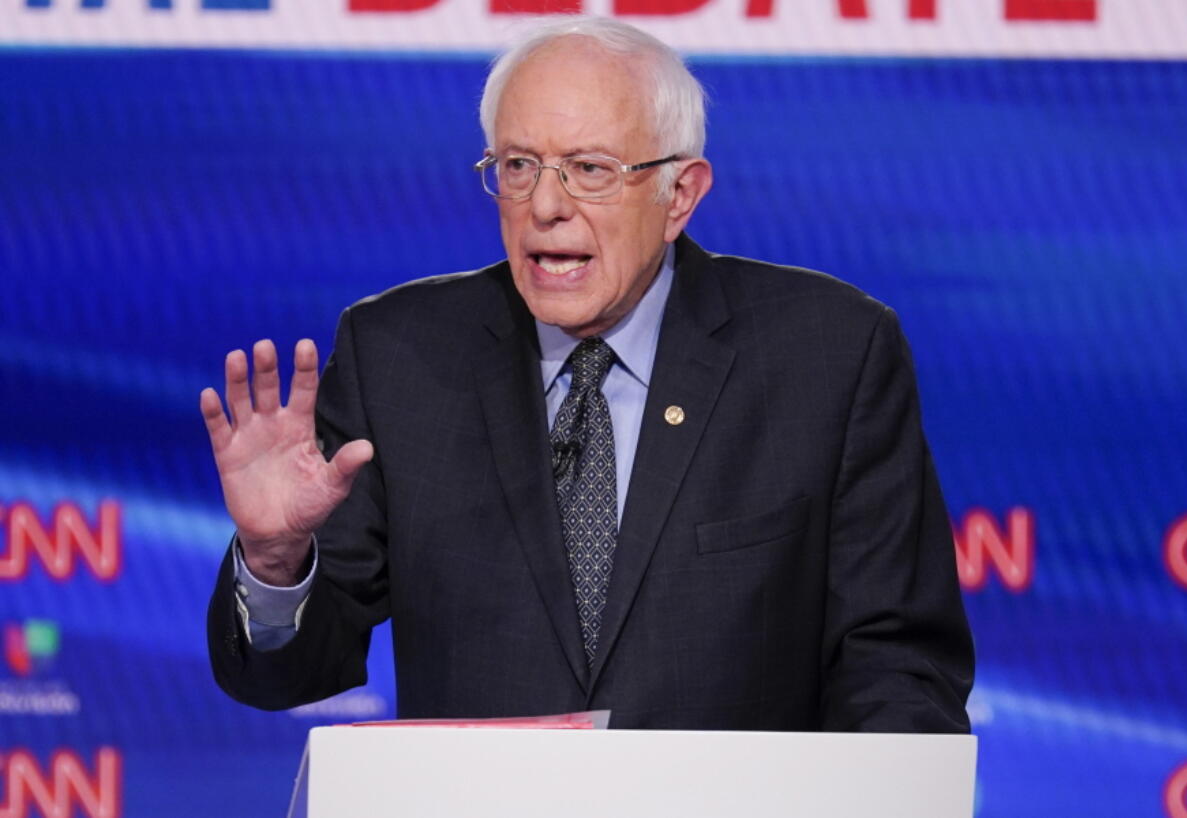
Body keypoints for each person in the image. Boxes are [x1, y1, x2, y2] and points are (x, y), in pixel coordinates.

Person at [203, 17, 973, 732]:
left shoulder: (826, 356)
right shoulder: (400, 356)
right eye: (517, 166)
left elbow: (898, 667)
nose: (544, 205)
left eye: (588, 169)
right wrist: (275, 563)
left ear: (681, 194)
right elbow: (288, 675)